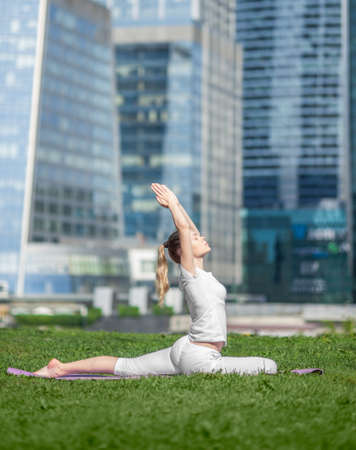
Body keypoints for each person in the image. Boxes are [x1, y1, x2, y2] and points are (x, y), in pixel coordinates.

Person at [34, 183, 277, 378]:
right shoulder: (189, 272)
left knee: (127, 366)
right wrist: (172, 205)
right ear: (183, 251)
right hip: (200, 357)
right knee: (269, 365)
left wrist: (178, 203)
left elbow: (188, 228)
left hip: (186, 348)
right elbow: (184, 230)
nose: (201, 237)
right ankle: (61, 368)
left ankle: (61, 368)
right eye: (195, 238)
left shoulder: (198, 272)